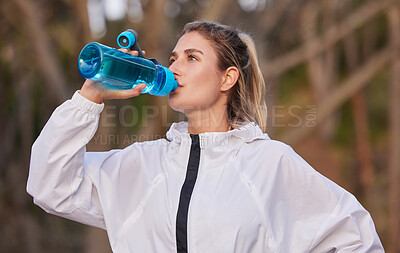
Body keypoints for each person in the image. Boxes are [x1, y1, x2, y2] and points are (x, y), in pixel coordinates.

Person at [27, 21, 384, 252]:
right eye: (173, 57)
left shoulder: (270, 163)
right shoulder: (141, 164)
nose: (173, 67)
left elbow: (356, 239)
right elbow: (49, 185)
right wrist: (88, 98)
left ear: (227, 79)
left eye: (192, 57)